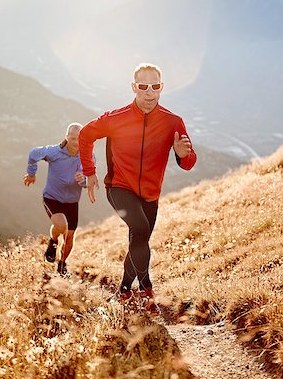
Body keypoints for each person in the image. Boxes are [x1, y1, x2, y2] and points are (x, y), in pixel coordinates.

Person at [79, 63, 197, 306]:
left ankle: (123, 291)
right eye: (143, 86)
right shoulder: (115, 118)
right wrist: (90, 172)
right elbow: (85, 136)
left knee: (138, 239)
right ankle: (146, 289)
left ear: (161, 87)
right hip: (119, 187)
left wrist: (183, 154)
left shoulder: (172, 121)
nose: (149, 91)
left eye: (154, 86)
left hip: (150, 195)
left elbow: (188, 163)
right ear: (134, 87)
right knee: (141, 230)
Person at [23, 123, 87, 276]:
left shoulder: (87, 156)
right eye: (72, 138)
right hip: (52, 197)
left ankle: (62, 264)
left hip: (72, 202)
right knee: (62, 226)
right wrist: (31, 174)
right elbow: (33, 154)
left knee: (70, 235)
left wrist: (83, 180)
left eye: (79, 139)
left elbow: (89, 180)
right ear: (66, 137)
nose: (76, 142)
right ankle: (53, 240)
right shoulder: (54, 152)